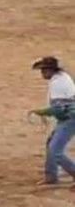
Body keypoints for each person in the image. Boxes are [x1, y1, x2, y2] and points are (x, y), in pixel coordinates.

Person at [28, 56, 75, 188]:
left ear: (50, 70)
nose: (42, 73)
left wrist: (43, 112)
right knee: (51, 144)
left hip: (70, 118)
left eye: (43, 70)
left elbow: (59, 109)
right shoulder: (62, 77)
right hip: (69, 117)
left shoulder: (57, 83)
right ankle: (51, 176)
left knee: (55, 150)